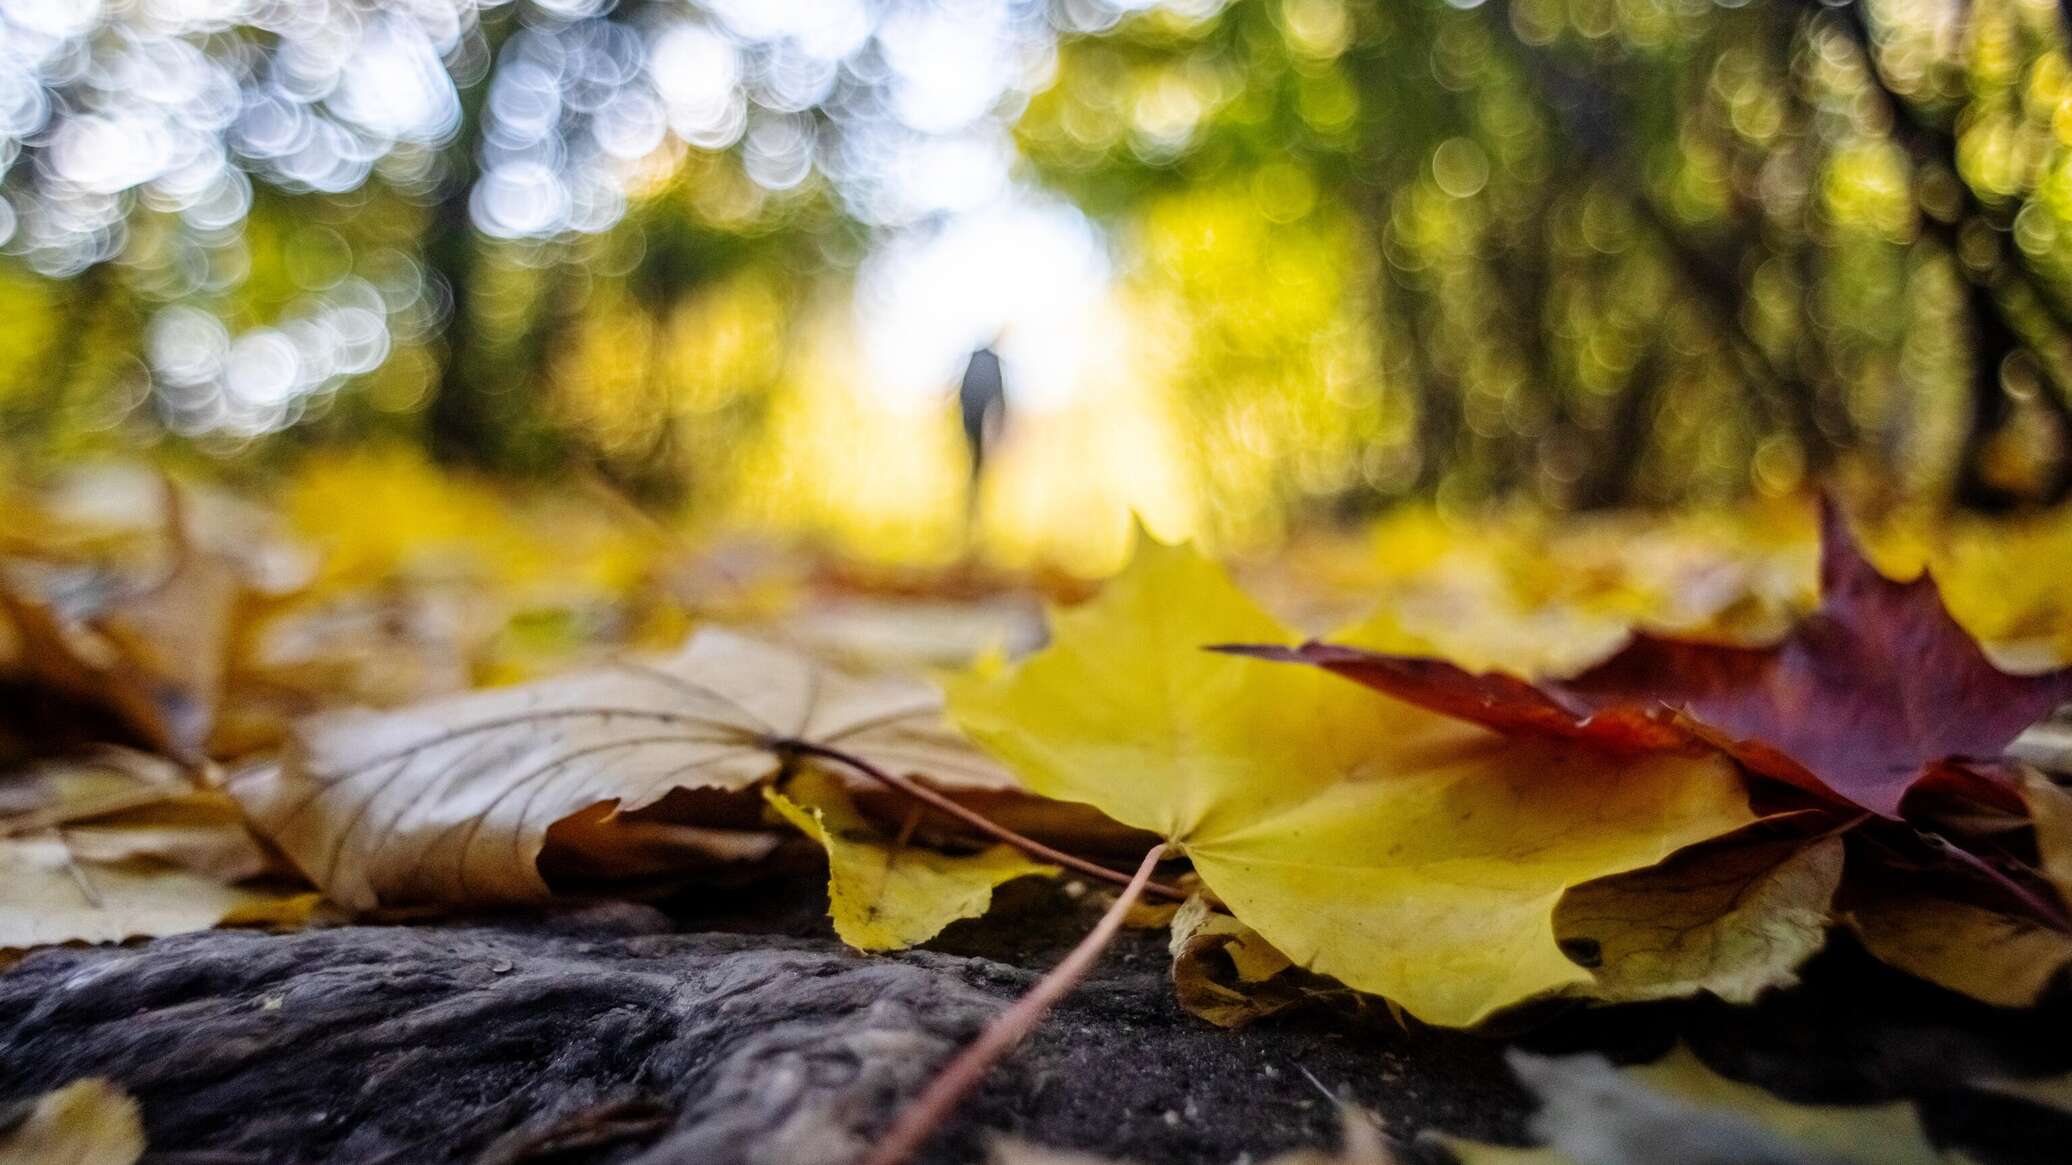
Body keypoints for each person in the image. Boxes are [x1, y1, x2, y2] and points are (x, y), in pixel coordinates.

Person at [957, 343, 1007, 499]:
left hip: (974, 420)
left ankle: (974, 497)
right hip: (976, 420)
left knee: (977, 461)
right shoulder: (991, 361)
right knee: (975, 459)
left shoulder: (977, 358)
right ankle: (972, 496)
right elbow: (999, 397)